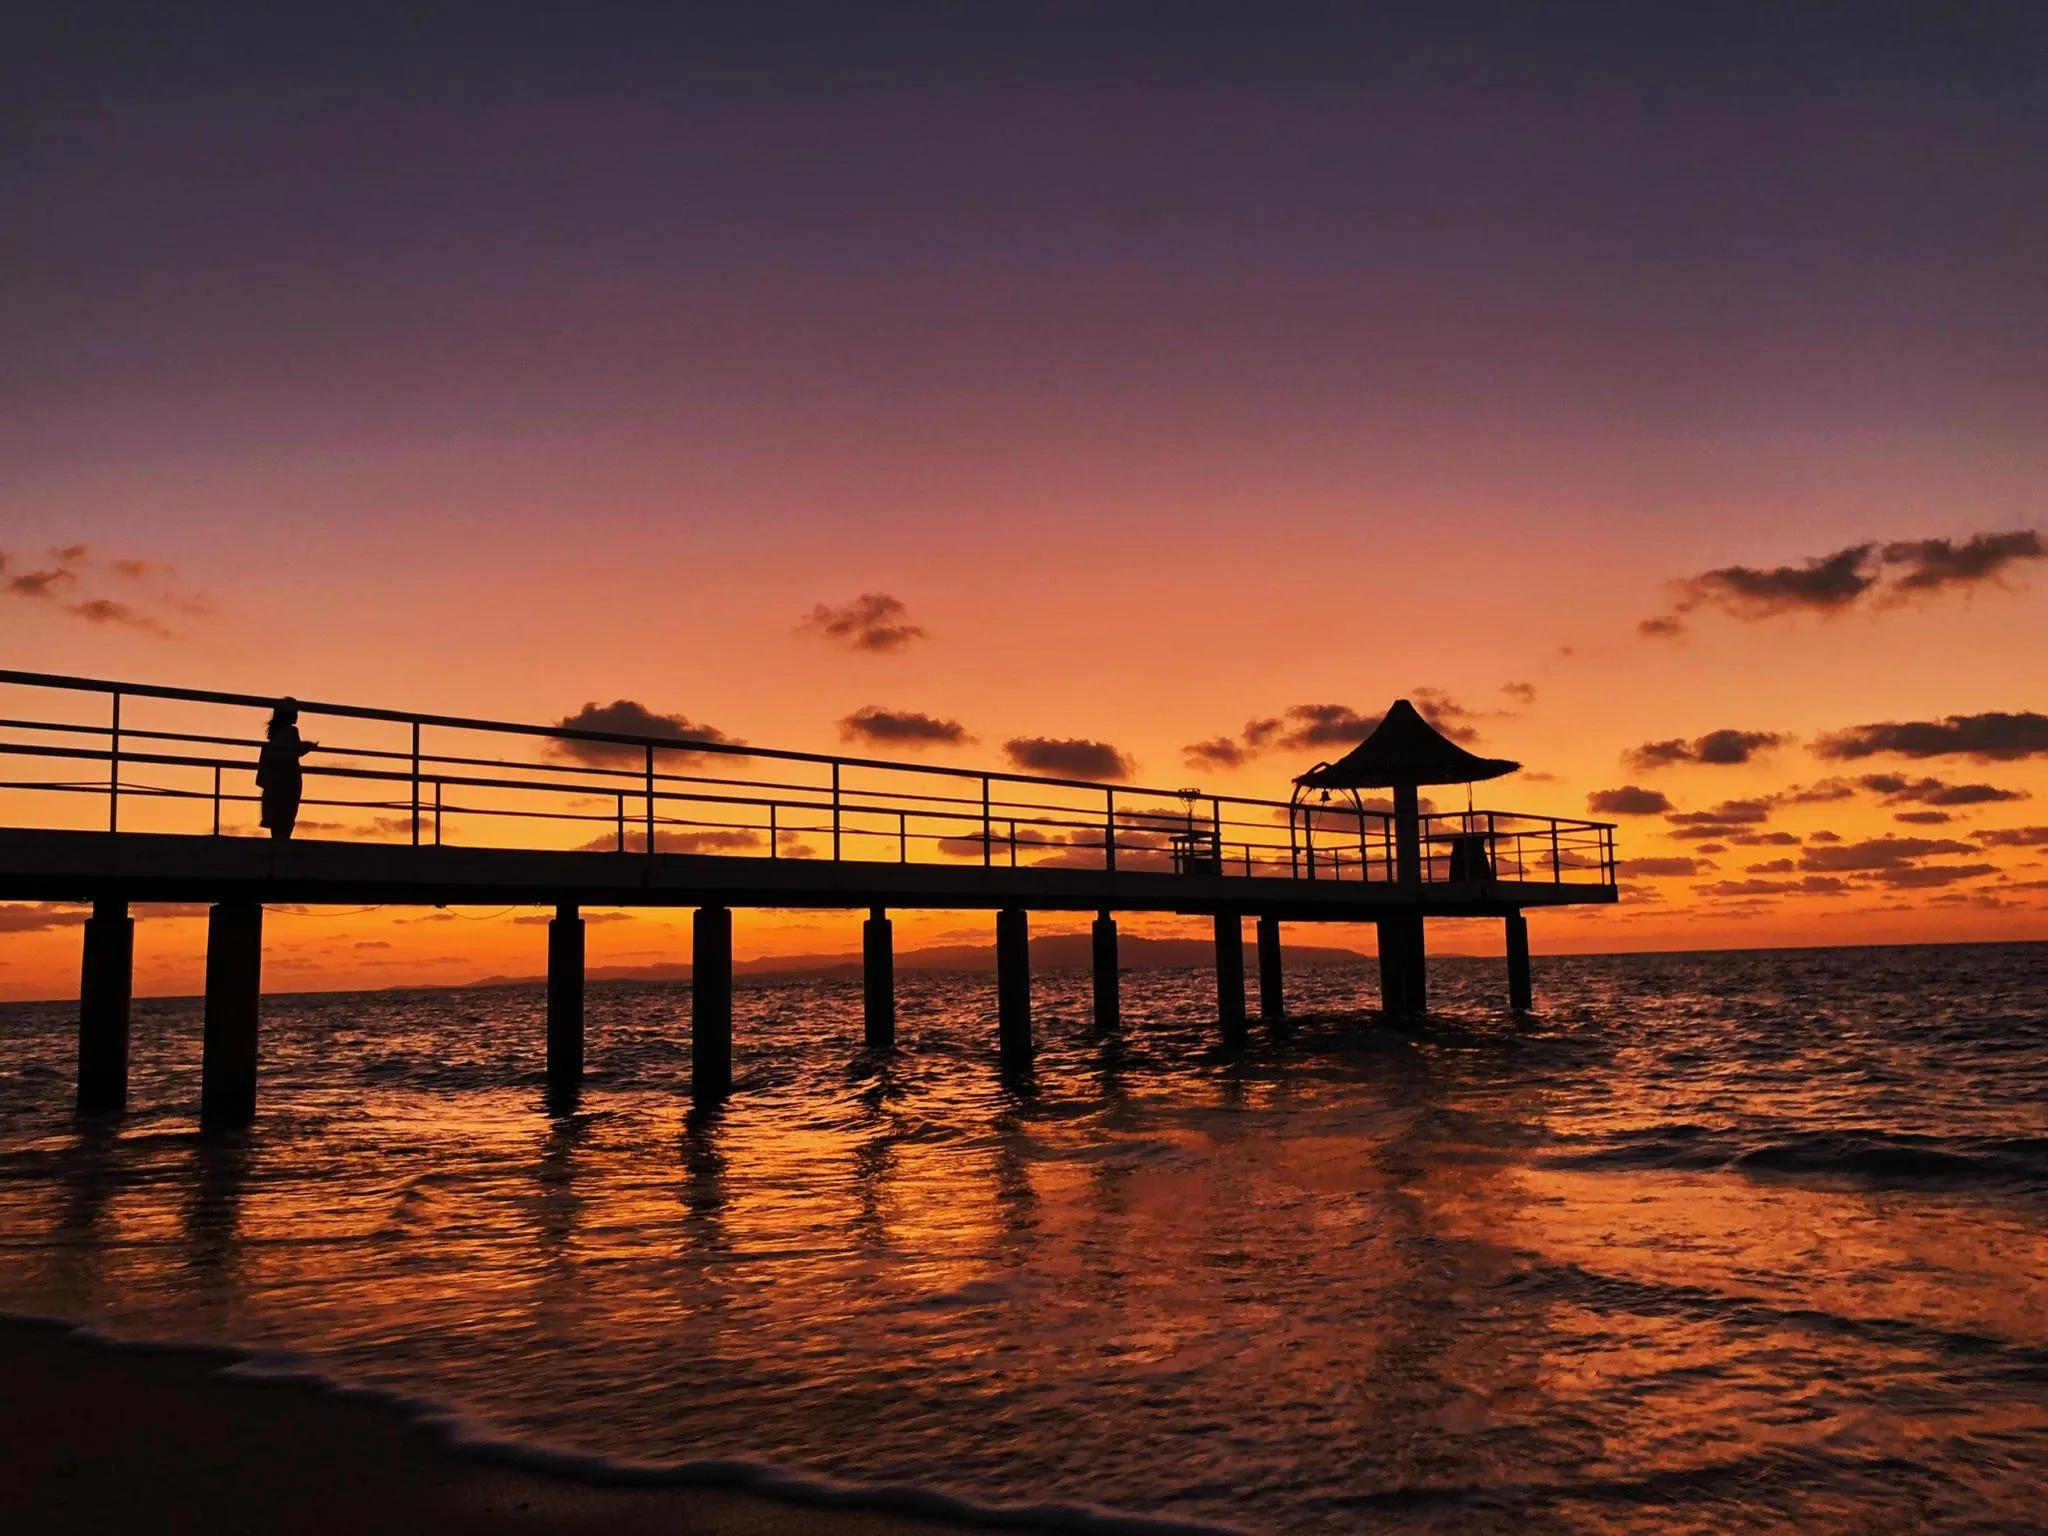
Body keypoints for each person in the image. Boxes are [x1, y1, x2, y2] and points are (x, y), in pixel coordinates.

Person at [256, 700, 318, 840]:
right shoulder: (291, 731)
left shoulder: (274, 734)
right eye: (295, 712)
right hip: (289, 778)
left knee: (277, 821)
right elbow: (296, 750)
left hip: (275, 782)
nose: (297, 715)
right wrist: (310, 746)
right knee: (287, 816)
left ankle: (278, 847)